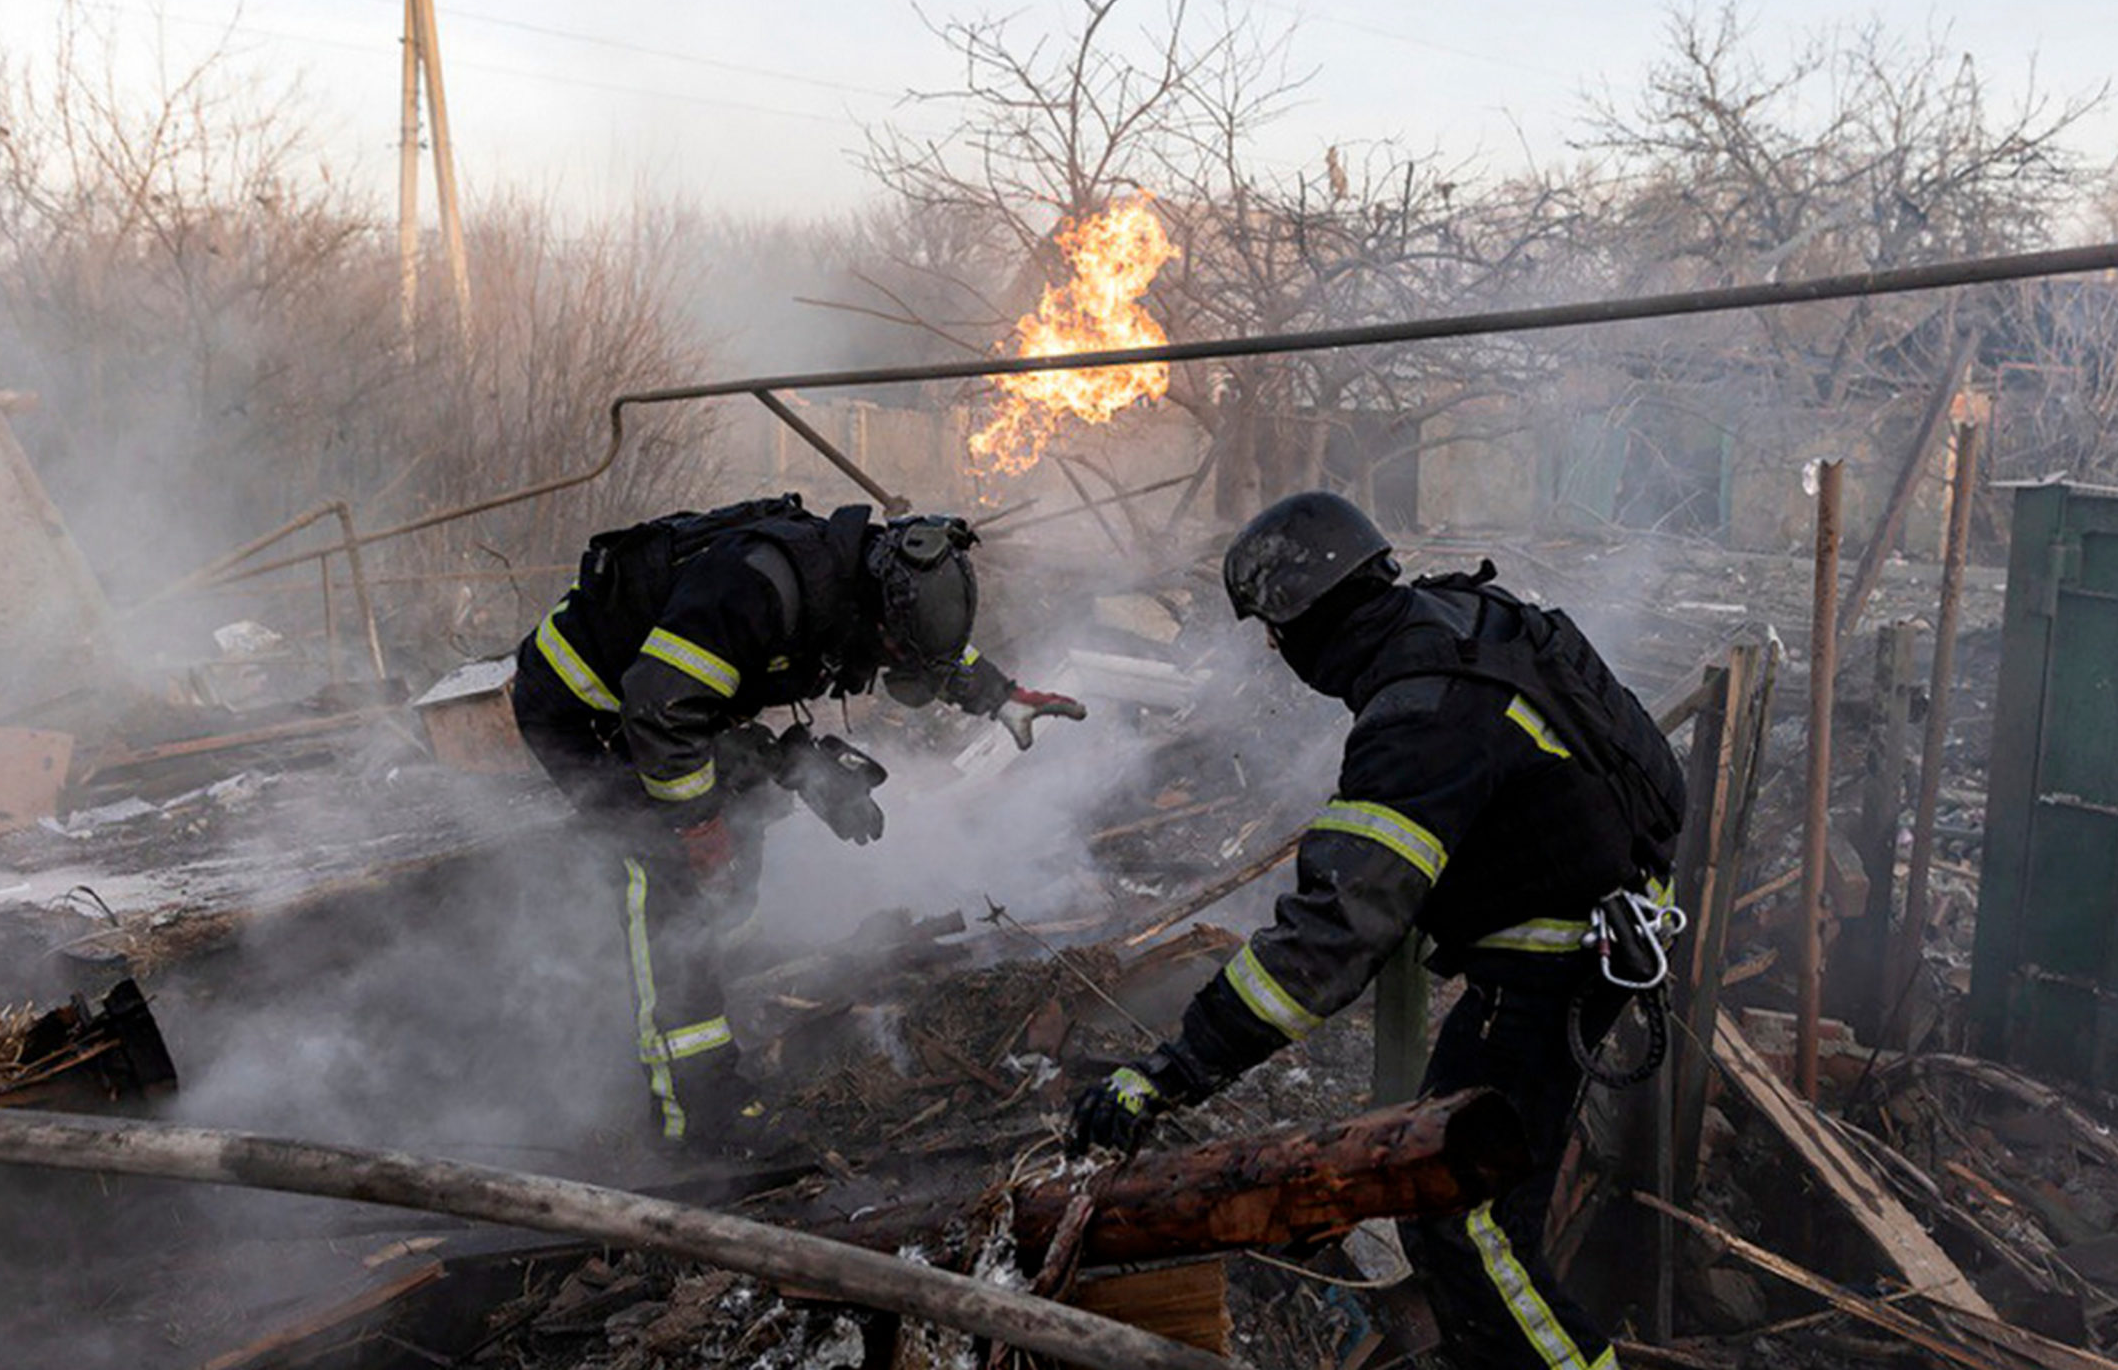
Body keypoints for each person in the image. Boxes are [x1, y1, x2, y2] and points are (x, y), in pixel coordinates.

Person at [1067, 491, 1683, 1370]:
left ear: (1310, 622)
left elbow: (1335, 938)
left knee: (1465, 1221)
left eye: (1275, 632)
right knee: (1470, 1205)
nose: (1275, 652)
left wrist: (1171, 1072)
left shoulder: (1421, 717)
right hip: (1608, 916)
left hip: (1551, 959)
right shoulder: (1469, 616)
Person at [511, 493, 1085, 1150]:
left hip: (674, 706)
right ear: (880, 610)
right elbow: (657, 708)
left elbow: (920, 644)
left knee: (742, 812)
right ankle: (695, 1115)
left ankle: (695, 978)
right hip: (590, 708)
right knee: (661, 870)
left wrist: (1000, 695)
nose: (892, 662)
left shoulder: (856, 580)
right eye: (893, 650)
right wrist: (697, 826)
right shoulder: (756, 587)